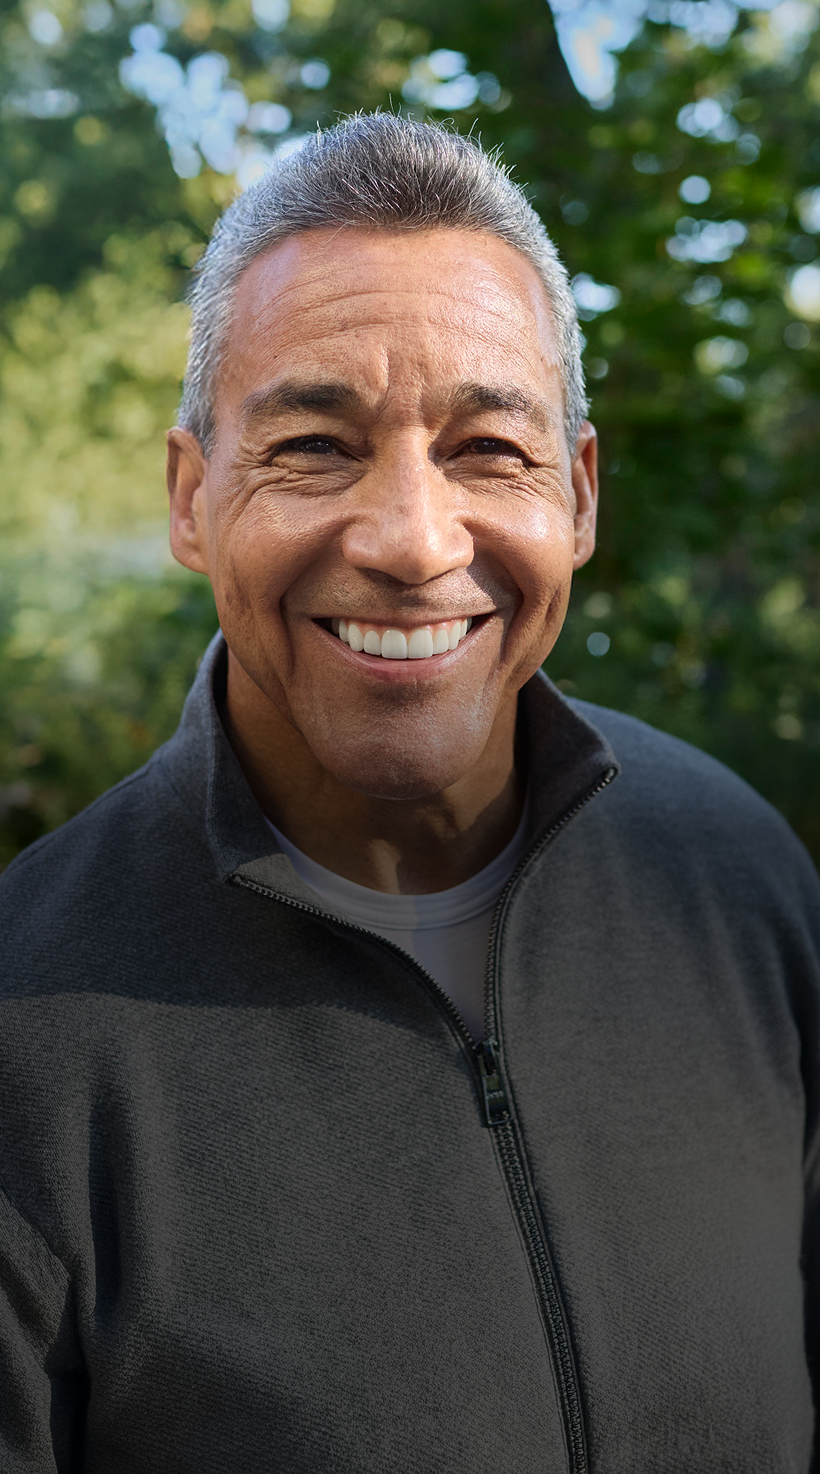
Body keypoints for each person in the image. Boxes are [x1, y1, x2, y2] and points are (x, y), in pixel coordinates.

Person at [1, 112, 819, 1474]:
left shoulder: (738, 876)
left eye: (489, 449)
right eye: (314, 444)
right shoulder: (26, 1024)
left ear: (581, 493)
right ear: (193, 497)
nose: (410, 541)